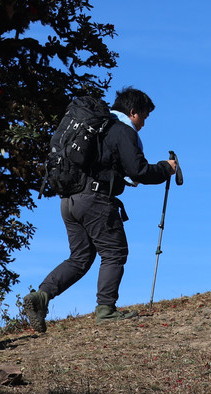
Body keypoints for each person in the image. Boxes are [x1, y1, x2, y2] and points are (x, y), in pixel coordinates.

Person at [22, 87, 176, 333]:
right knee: (114, 252)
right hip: (95, 200)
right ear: (133, 111)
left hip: (68, 201)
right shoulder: (122, 131)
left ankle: (41, 296)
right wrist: (166, 168)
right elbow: (139, 171)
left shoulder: (97, 128)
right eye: (144, 117)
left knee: (80, 258)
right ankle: (106, 310)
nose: (144, 124)